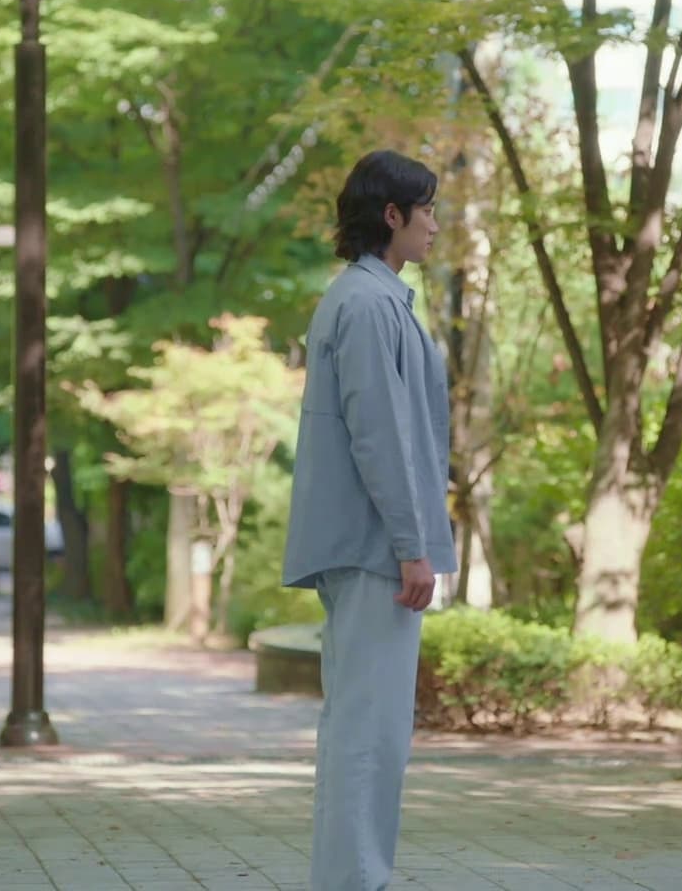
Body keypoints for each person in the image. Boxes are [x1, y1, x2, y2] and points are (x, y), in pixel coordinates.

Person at [283, 149, 456, 891]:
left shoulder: (370, 299)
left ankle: (352, 878)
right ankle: (356, 881)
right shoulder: (366, 303)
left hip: (369, 547)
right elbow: (380, 436)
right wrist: (413, 547)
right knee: (369, 733)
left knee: (365, 728)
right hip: (374, 550)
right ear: (392, 215)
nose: (435, 225)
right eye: (428, 210)